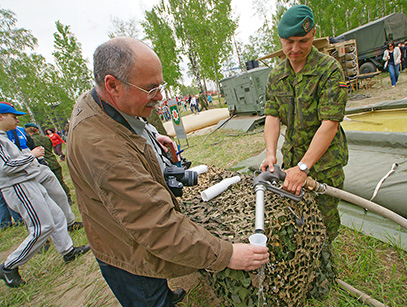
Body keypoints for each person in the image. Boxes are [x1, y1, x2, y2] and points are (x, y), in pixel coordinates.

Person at [66, 36, 269, 306]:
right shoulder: (104, 151)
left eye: (160, 86)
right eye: (150, 89)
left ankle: (164, 294)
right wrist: (227, 254)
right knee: (148, 293)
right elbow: (156, 225)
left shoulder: (101, 102)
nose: (160, 96)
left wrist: (149, 136)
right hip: (124, 250)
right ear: (112, 85)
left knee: (155, 282)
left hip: (124, 230)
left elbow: (120, 123)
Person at [260, 5, 348, 242]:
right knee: (296, 216)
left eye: (303, 40)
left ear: (313, 35)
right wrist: (270, 154)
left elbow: (330, 123)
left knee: (324, 220)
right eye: (289, 42)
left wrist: (303, 168)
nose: (295, 49)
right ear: (280, 39)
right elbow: (272, 116)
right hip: (292, 159)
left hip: (324, 164)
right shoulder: (276, 75)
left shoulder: (329, 70)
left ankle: (326, 265)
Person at [0, 104, 90, 288]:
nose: (17, 119)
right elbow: (6, 166)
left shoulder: (5, 138)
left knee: (57, 216)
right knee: (42, 227)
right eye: (13, 115)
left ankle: (68, 251)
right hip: (19, 186)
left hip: (29, 182)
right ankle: (9, 266)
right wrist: (31, 156)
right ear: (1, 117)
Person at [25, 123, 72, 204]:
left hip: (42, 165)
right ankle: (68, 198)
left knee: (49, 187)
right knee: (61, 182)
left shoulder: (29, 141)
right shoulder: (45, 138)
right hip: (53, 162)